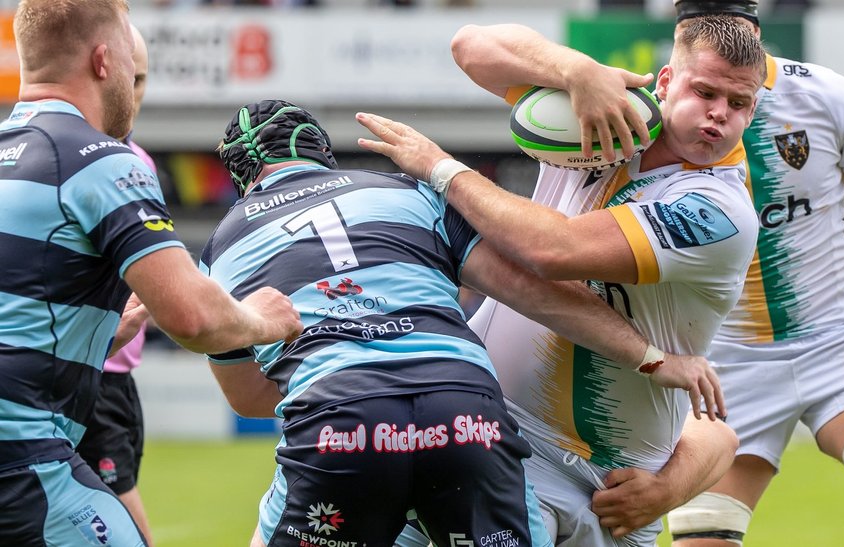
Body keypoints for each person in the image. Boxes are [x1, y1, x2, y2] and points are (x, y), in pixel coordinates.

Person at [204, 99, 728, 547]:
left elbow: (249, 399)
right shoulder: (408, 193)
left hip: (340, 426)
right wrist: (649, 356)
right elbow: (532, 289)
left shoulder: (222, 246)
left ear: (242, 179)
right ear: (323, 153)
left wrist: (350, 369)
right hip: (466, 415)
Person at [357, 14, 768, 545]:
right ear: (665, 82)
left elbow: (552, 250)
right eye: (704, 91)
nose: (718, 114)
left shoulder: (719, 209)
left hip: (614, 485)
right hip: (492, 428)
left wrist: (440, 168)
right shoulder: (607, 114)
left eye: (738, 105)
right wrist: (575, 70)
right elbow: (470, 46)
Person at [0, 2, 302, 546]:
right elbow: (193, 318)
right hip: (23, 459)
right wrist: (265, 318)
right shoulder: (102, 159)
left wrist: (84, 337)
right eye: (131, 67)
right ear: (102, 61)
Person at [662, 2, 844, 546]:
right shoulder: (652, 113)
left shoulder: (826, 96)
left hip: (837, 341)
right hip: (722, 364)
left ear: (756, 31)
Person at [74, 25, 156, 545]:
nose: (137, 94)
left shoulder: (138, 161)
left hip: (116, 375)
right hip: (90, 373)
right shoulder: (83, 161)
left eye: (144, 79)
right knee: (125, 521)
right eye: (132, 77)